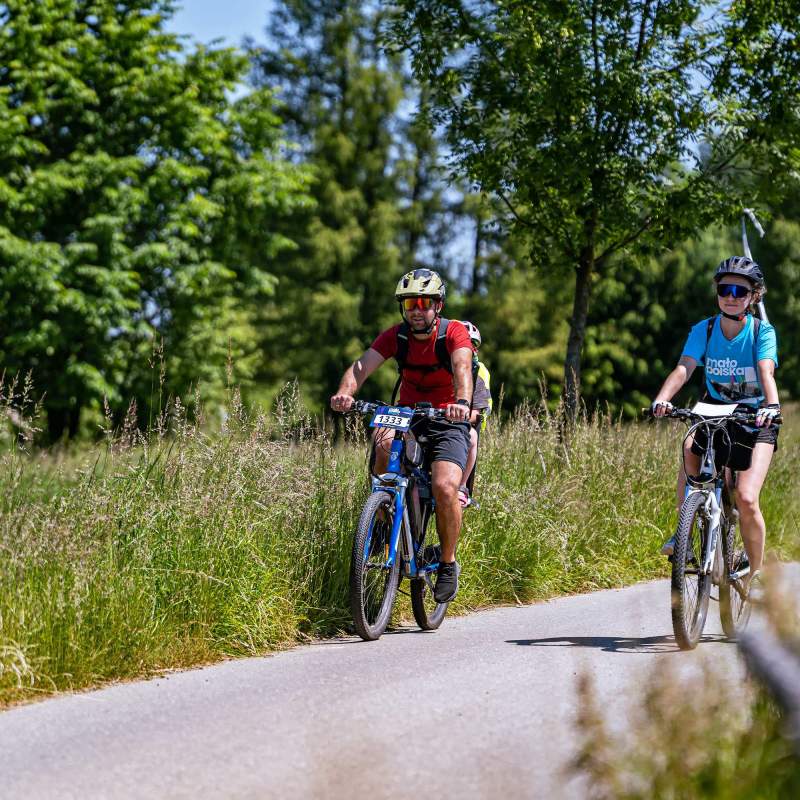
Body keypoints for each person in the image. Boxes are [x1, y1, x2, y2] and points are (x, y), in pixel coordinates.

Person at [330, 268, 473, 602]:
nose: (416, 310)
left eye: (424, 303)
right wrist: (344, 393)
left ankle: (448, 563)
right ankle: (383, 517)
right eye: (409, 304)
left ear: (437, 305)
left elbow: (463, 368)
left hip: (447, 417)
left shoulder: (452, 333)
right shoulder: (397, 336)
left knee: (444, 486)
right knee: (381, 438)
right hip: (408, 414)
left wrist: (462, 403)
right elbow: (361, 366)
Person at [650, 256, 780, 598]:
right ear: (717, 292)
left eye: (740, 290)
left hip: (755, 417)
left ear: (754, 296)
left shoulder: (761, 332)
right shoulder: (704, 329)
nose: (731, 296)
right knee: (689, 445)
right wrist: (662, 398)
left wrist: (772, 406)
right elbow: (684, 368)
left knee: (747, 498)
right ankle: (683, 530)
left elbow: (766, 371)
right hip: (714, 410)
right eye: (725, 289)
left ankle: (756, 571)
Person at [458, 321, 492, 508]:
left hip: (467, 422)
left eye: (472, 345)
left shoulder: (478, 371)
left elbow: (478, 411)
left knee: (471, 437)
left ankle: (462, 487)